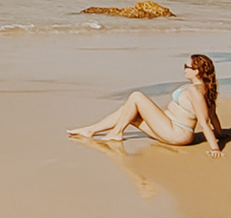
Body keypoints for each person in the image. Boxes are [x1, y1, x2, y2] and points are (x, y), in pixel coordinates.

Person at [68, 54, 223, 154]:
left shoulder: (195, 92)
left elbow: (205, 120)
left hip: (176, 133)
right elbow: (213, 114)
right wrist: (221, 134)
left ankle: (116, 133)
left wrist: (215, 148)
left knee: (136, 96)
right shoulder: (203, 89)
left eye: (186, 67)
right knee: (129, 111)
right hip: (171, 129)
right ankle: (90, 130)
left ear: (196, 71)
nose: (184, 69)